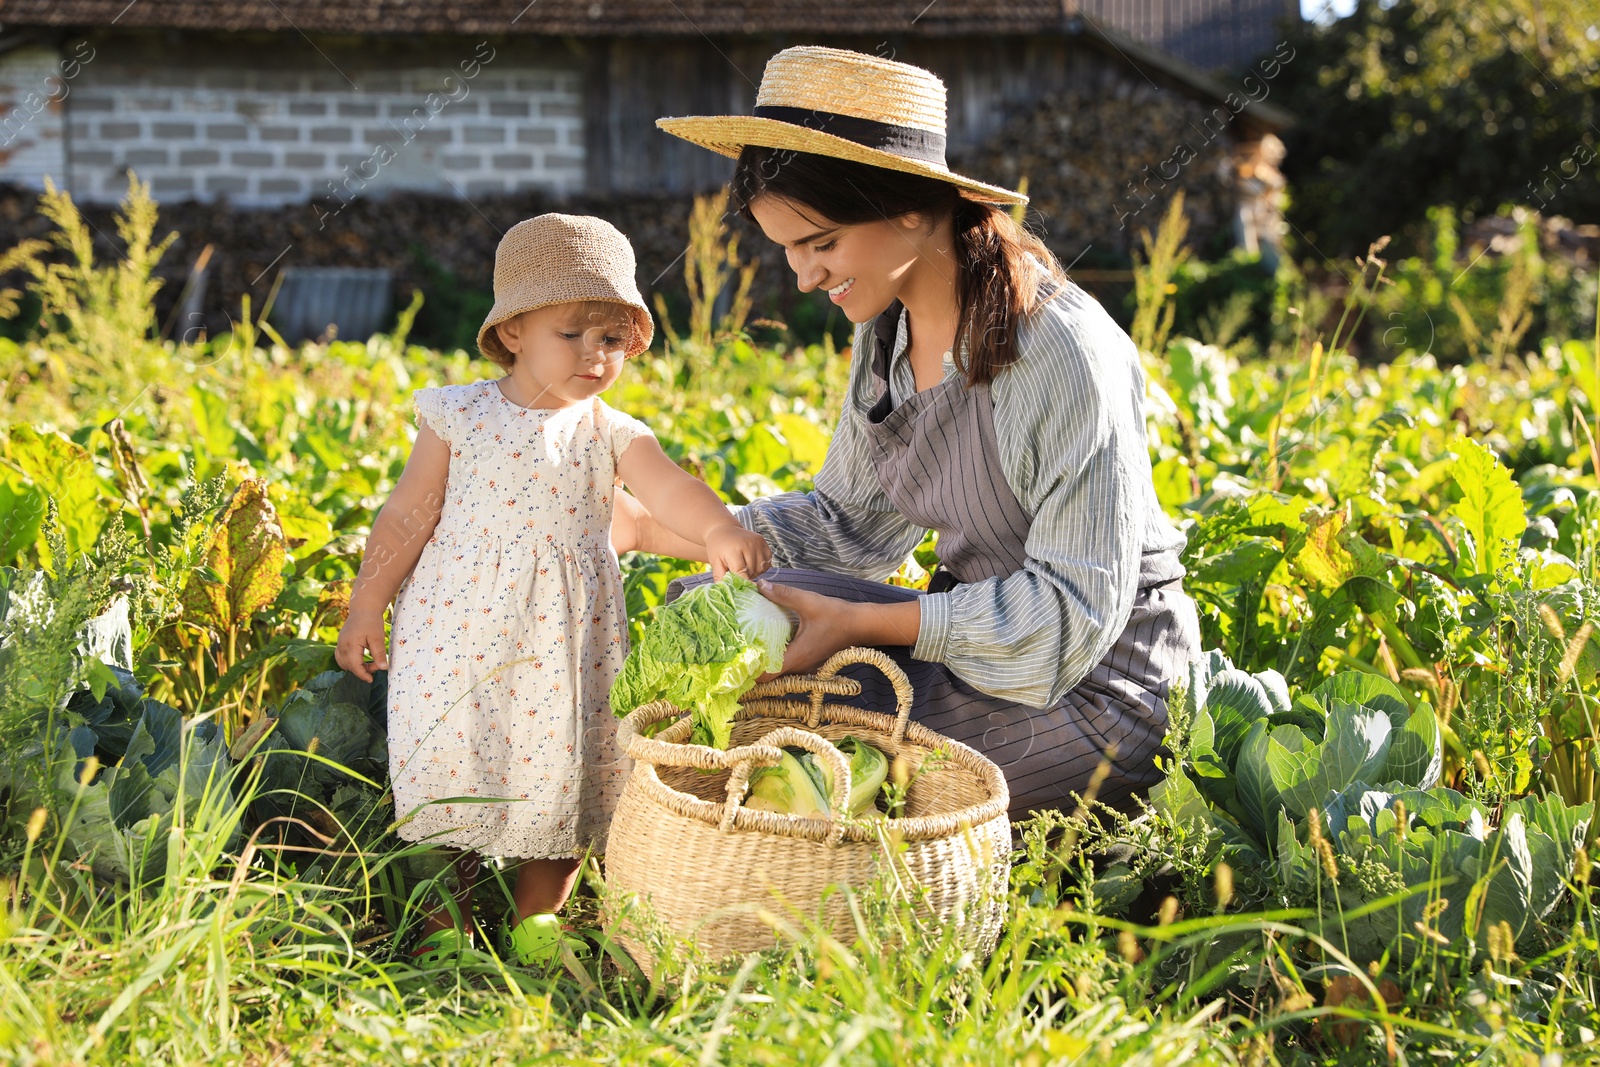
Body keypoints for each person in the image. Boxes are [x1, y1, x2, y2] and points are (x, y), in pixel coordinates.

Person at [632, 45, 1202, 817]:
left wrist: (860, 622)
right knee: (723, 622)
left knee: (816, 736)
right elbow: (847, 526)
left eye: (821, 242)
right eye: (788, 250)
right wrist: (651, 527)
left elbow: (1072, 616)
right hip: (969, 647)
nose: (801, 277)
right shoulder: (886, 336)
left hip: (1092, 686)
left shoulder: (1062, 351)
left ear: (909, 206)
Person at [335, 213, 771, 965]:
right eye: (572, 333)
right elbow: (408, 513)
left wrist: (719, 529)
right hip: (457, 636)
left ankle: (541, 919)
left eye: (612, 339)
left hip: (564, 644)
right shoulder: (459, 416)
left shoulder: (610, 431)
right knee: (453, 770)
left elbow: (668, 491)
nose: (595, 356)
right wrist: (368, 603)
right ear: (513, 332)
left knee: (566, 767)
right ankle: (449, 922)